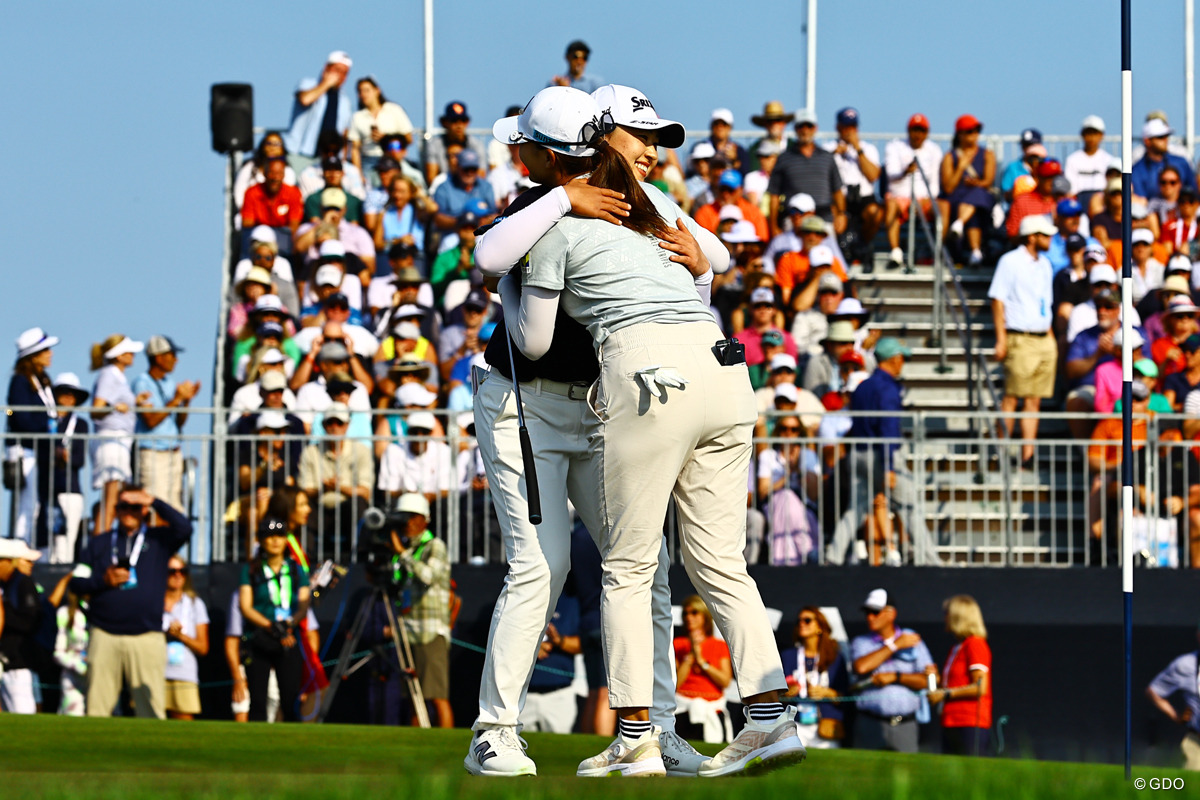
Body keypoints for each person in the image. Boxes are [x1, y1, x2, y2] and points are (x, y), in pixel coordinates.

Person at [489, 89, 803, 778]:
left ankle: (637, 738)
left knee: (628, 568)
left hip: (648, 372)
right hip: (724, 366)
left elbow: (532, 342)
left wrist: (506, 291)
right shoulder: (655, 211)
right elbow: (709, 266)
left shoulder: (553, 223)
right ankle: (772, 720)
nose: (652, 150)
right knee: (720, 561)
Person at [466, 86, 726, 778]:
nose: (512, 151)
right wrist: (560, 200)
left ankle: (653, 731)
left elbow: (713, 259)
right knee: (541, 565)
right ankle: (494, 731)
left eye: (520, 142)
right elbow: (489, 263)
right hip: (522, 402)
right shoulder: (538, 204)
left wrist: (695, 261)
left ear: (544, 152)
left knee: (644, 572)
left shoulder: (632, 202)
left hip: (599, 409)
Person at [69, 486, 192, 718]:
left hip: (146, 636)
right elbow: (76, 583)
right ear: (115, 510)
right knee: (97, 708)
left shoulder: (158, 540)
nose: (129, 512)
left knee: (151, 709)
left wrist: (154, 500)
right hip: (105, 634)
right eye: (123, 506)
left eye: (135, 507)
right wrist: (102, 580)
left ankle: (152, 753)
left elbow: (185, 528)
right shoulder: (99, 543)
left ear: (144, 510)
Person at [989, 215, 1058, 466]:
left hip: (1043, 337)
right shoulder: (1010, 261)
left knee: (1033, 400)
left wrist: (1050, 339)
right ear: (1032, 236)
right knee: (1012, 397)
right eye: (1045, 235)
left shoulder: (1046, 265)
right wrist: (1001, 339)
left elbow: (1045, 303)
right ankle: (1001, 451)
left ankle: (1028, 454)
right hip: (1019, 336)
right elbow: (998, 299)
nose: (1050, 239)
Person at [387, 493, 454, 727]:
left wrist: (402, 553)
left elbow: (428, 576)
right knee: (415, 698)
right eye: (404, 518)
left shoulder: (435, 546)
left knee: (437, 695)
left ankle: (447, 747)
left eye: (413, 518)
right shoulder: (404, 550)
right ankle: (419, 745)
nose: (408, 523)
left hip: (430, 632)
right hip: (409, 632)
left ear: (425, 520)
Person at [239, 515, 310, 722]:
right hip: (259, 636)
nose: (275, 540)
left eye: (280, 535)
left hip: (288, 637)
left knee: (290, 700)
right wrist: (271, 626)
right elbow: (246, 606)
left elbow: (304, 604)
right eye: (269, 536)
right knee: (258, 701)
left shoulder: (296, 570)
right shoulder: (251, 569)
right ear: (261, 540)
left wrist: (288, 625)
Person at [850, 589, 937, 753]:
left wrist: (896, 677)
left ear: (891, 614)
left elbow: (928, 680)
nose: (870, 617)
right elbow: (861, 667)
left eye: (875, 612)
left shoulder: (912, 640)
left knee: (906, 775)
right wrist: (894, 645)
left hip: (905, 725)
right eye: (867, 612)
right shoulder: (861, 642)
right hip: (869, 724)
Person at [848, 339, 909, 565]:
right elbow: (888, 429)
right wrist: (889, 466)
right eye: (901, 357)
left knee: (859, 508)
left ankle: (838, 555)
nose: (903, 363)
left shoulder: (863, 386)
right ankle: (915, 555)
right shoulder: (887, 388)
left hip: (859, 453)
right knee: (907, 506)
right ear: (893, 358)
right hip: (879, 456)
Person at [90, 335, 150, 534]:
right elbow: (96, 408)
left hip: (118, 440)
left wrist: (135, 401)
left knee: (113, 496)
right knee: (111, 497)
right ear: (118, 355)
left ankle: (101, 541)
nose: (132, 355)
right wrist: (116, 407)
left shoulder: (116, 376)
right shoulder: (109, 374)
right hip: (111, 439)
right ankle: (100, 545)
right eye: (128, 351)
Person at [133, 336, 199, 514]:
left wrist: (186, 401)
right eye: (172, 354)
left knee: (175, 509)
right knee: (155, 506)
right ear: (159, 357)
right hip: (152, 453)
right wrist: (177, 399)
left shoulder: (168, 383)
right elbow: (150, 419)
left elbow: (179, 423)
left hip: (173, 452)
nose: (175, 359)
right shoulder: (142, 382)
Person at [297, 402, 373, 555]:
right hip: (318, 509)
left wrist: (339, 487)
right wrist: (324, 488)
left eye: (339, 423)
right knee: (301, 507)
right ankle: (304, 562)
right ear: (324, 425)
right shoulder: (310, 451)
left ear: (347, 425)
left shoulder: (362, 451)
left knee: (358, 504)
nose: (334, 427)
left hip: (346, 510)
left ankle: (358, 557)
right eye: (330, 422)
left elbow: (365, 492)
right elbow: (304, 491)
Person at [7, 327, 59, 546]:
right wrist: (45, 432)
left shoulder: (41, 382)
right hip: (26, 450)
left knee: (34, 504)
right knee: (26, 504)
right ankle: (20, 546)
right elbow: (21, 417)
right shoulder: (21, 381)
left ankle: (26, 544)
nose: (50, 354)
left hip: (37, 450)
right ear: (34, 355)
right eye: (46, 350)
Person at [928, 595, 992, 756]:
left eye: (947, 614)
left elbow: (980, 687)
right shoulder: (957, 647)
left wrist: (945, 694)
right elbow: (955, 683)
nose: (945, 618)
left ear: (958, 617)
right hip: (951, 721)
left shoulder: (975, 644)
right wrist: (937, 681)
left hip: (970, 722)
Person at [767, 108, 845, 240]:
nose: (805, 130)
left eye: (809, 125)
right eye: (800, 126)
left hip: (824, 219)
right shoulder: (784, 158)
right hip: (794, 220)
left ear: (815, 128)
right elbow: (774, 195)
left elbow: (837, 191)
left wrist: (842, 214)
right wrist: (773, 225)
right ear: (796, 129)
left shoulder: (827, 158)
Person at [782, 607, 848, 749]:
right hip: (794, 722)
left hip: (825, 724)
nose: (802, 624)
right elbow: (777, 692)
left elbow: (846, 697)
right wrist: (786, 693)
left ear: (820, 626)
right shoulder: (788, 656)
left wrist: (827, 693)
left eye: (807, 620)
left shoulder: (835, 657)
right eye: (799, 621)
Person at [519, 588, 582, 734]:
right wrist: (531, 646)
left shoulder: (570, 601)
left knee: (562, 751)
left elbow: (586, 644)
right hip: (523, 695)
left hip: (559, 696)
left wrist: (559, 641)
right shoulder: (520, 596)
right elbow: (501, 639)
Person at [883, 113, 942, 267]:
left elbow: (935, 182)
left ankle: (937, 251)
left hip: (924, 199)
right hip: (899, 196)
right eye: (914, 130)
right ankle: (895, 251)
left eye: (921, 130)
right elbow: (891, 175)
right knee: (890, 204)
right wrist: (905, 171)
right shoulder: (895, 146)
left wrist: (929, 199)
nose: (918, 135)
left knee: (944, 208)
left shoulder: (934, 150)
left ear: (927, 133)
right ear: (908, 131)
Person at [824, 107, 882, 263]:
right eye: (845, 127)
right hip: (839, 197)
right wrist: (835, 153)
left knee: (875, 213)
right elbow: (820, 172)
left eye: (853, 127)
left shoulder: (868, 149)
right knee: (832, 214)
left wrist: (858, 150)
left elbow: (874, 175)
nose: (849, 131)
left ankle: (864, 245)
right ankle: (837, 253)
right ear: (838, 128)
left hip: (863, 197)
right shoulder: (828, 149)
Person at [673, 595, 734, 743]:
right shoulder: (677, 644)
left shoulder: (719, 645)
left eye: (694, 612)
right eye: (686, 613)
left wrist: (702, 662)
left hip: (712, 709)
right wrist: (690, 656)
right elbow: (675, 683)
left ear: (705, 616)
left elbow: (725, 681)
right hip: (682, 709)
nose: (689, 617)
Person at [282, 51, 353, 174]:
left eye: (344, 73)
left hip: (328, 158)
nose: (340, 76)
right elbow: (305, 99)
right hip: (301, 154)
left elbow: (344, 133)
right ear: (327, 68)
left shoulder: (345, 102)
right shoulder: (308, 84)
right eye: (337, 70)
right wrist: (326, 84)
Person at [43, 373, 89, 563]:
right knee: (45, 541)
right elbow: (10, 412)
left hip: (70, 490)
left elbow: (79, 459)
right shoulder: (44, 420)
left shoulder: (80, 424)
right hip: (45, 489)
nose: (69, 397)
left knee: (66, 540)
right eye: (64, 392)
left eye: (73, 393)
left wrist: (65, 457)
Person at [939, 114, 996, 266]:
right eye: (970, 131)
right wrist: (960, 168)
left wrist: (975, 182)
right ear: (960, 134)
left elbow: (988, 181)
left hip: (979, 198)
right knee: (973, 210)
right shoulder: (950, 157)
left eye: (977, 130)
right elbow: (948, 187)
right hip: (957, 199)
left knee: (977, 198)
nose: (975, 134)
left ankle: (959, 224)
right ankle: (975, 251)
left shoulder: (987, 155)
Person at [162, 554, 209, 720]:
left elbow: (203, 648)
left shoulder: (195, 604)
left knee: (183, 730)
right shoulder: (153, 602)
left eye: (182, 571)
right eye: (172, 571)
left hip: (183, 674)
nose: (177, 575)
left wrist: (181, 636)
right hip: (154, 672)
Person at [1147, 625, 1200, 770]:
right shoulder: (1185, 665)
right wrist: (1175, 715)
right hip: (1197, 744)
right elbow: (1154, 691)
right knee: (1193, 789)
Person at [0, 539, 42, 713]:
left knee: (24, 714)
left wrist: (3, 610)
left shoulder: (22, 582)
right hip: (9, 663)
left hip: (18, 663)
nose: (31, 564)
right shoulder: (9, 584)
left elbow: (29, 622)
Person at [347, 76, 414, 182]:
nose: (363, 94)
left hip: (393, 158)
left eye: (367, 90)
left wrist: (386, 139)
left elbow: (409, 138)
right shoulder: (357, 117)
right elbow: (355, 148)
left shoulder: (394, 110)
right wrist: (358, 174)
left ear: (377, 90)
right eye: (360, 91)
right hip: (368, 161)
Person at [424, 101, 489, 186]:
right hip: (443, 191)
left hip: (470, 190)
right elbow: (431, 179)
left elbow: (481, 177)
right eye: (454, 121)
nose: (459, 125)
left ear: (467, 122)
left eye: (463, 120)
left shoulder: (477, 145)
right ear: (444, 123)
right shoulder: (434, 145)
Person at [54, 565, 90, 716]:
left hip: (99, 675)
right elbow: (58, 653)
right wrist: (81, 667)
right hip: (73, 677)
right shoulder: (64, 613)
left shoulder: (101, 611)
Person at [1133, 117, 1197, 201]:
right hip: (1151, 213)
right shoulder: (1137, 171)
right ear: (1147, 141)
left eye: (1166, 136)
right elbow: (1141, 202)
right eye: (1160, 137)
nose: (1165, 140)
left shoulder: (1182, 163)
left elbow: (1194, 194)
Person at [234, 131, 299, 210]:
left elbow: (288, 195)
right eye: (269, 143)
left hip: (279, 214)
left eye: (277, 144)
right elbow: (239, 193)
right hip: (251, 212)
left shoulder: (288, 170)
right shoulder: (250, 167)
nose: (272, 147)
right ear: (263, 146)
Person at [241, 158, 304, 236]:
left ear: (284, 175)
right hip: (259, 238)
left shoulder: (293, 193)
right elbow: (247, 226)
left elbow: (294, 227)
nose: (275, 178)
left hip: (284, 239)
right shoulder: (252, 193)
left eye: (279, 173)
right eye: (272, 172)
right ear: (264, 173)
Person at [1064, 115, 1113, 210]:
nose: (1091, 138)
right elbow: (1071, 190)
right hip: (1078, 203)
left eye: (1095, 133)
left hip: (1102, 204)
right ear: (1082, 135)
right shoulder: (1072, 159)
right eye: (1088, 133)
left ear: (1101, 135)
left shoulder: (1109, 160)